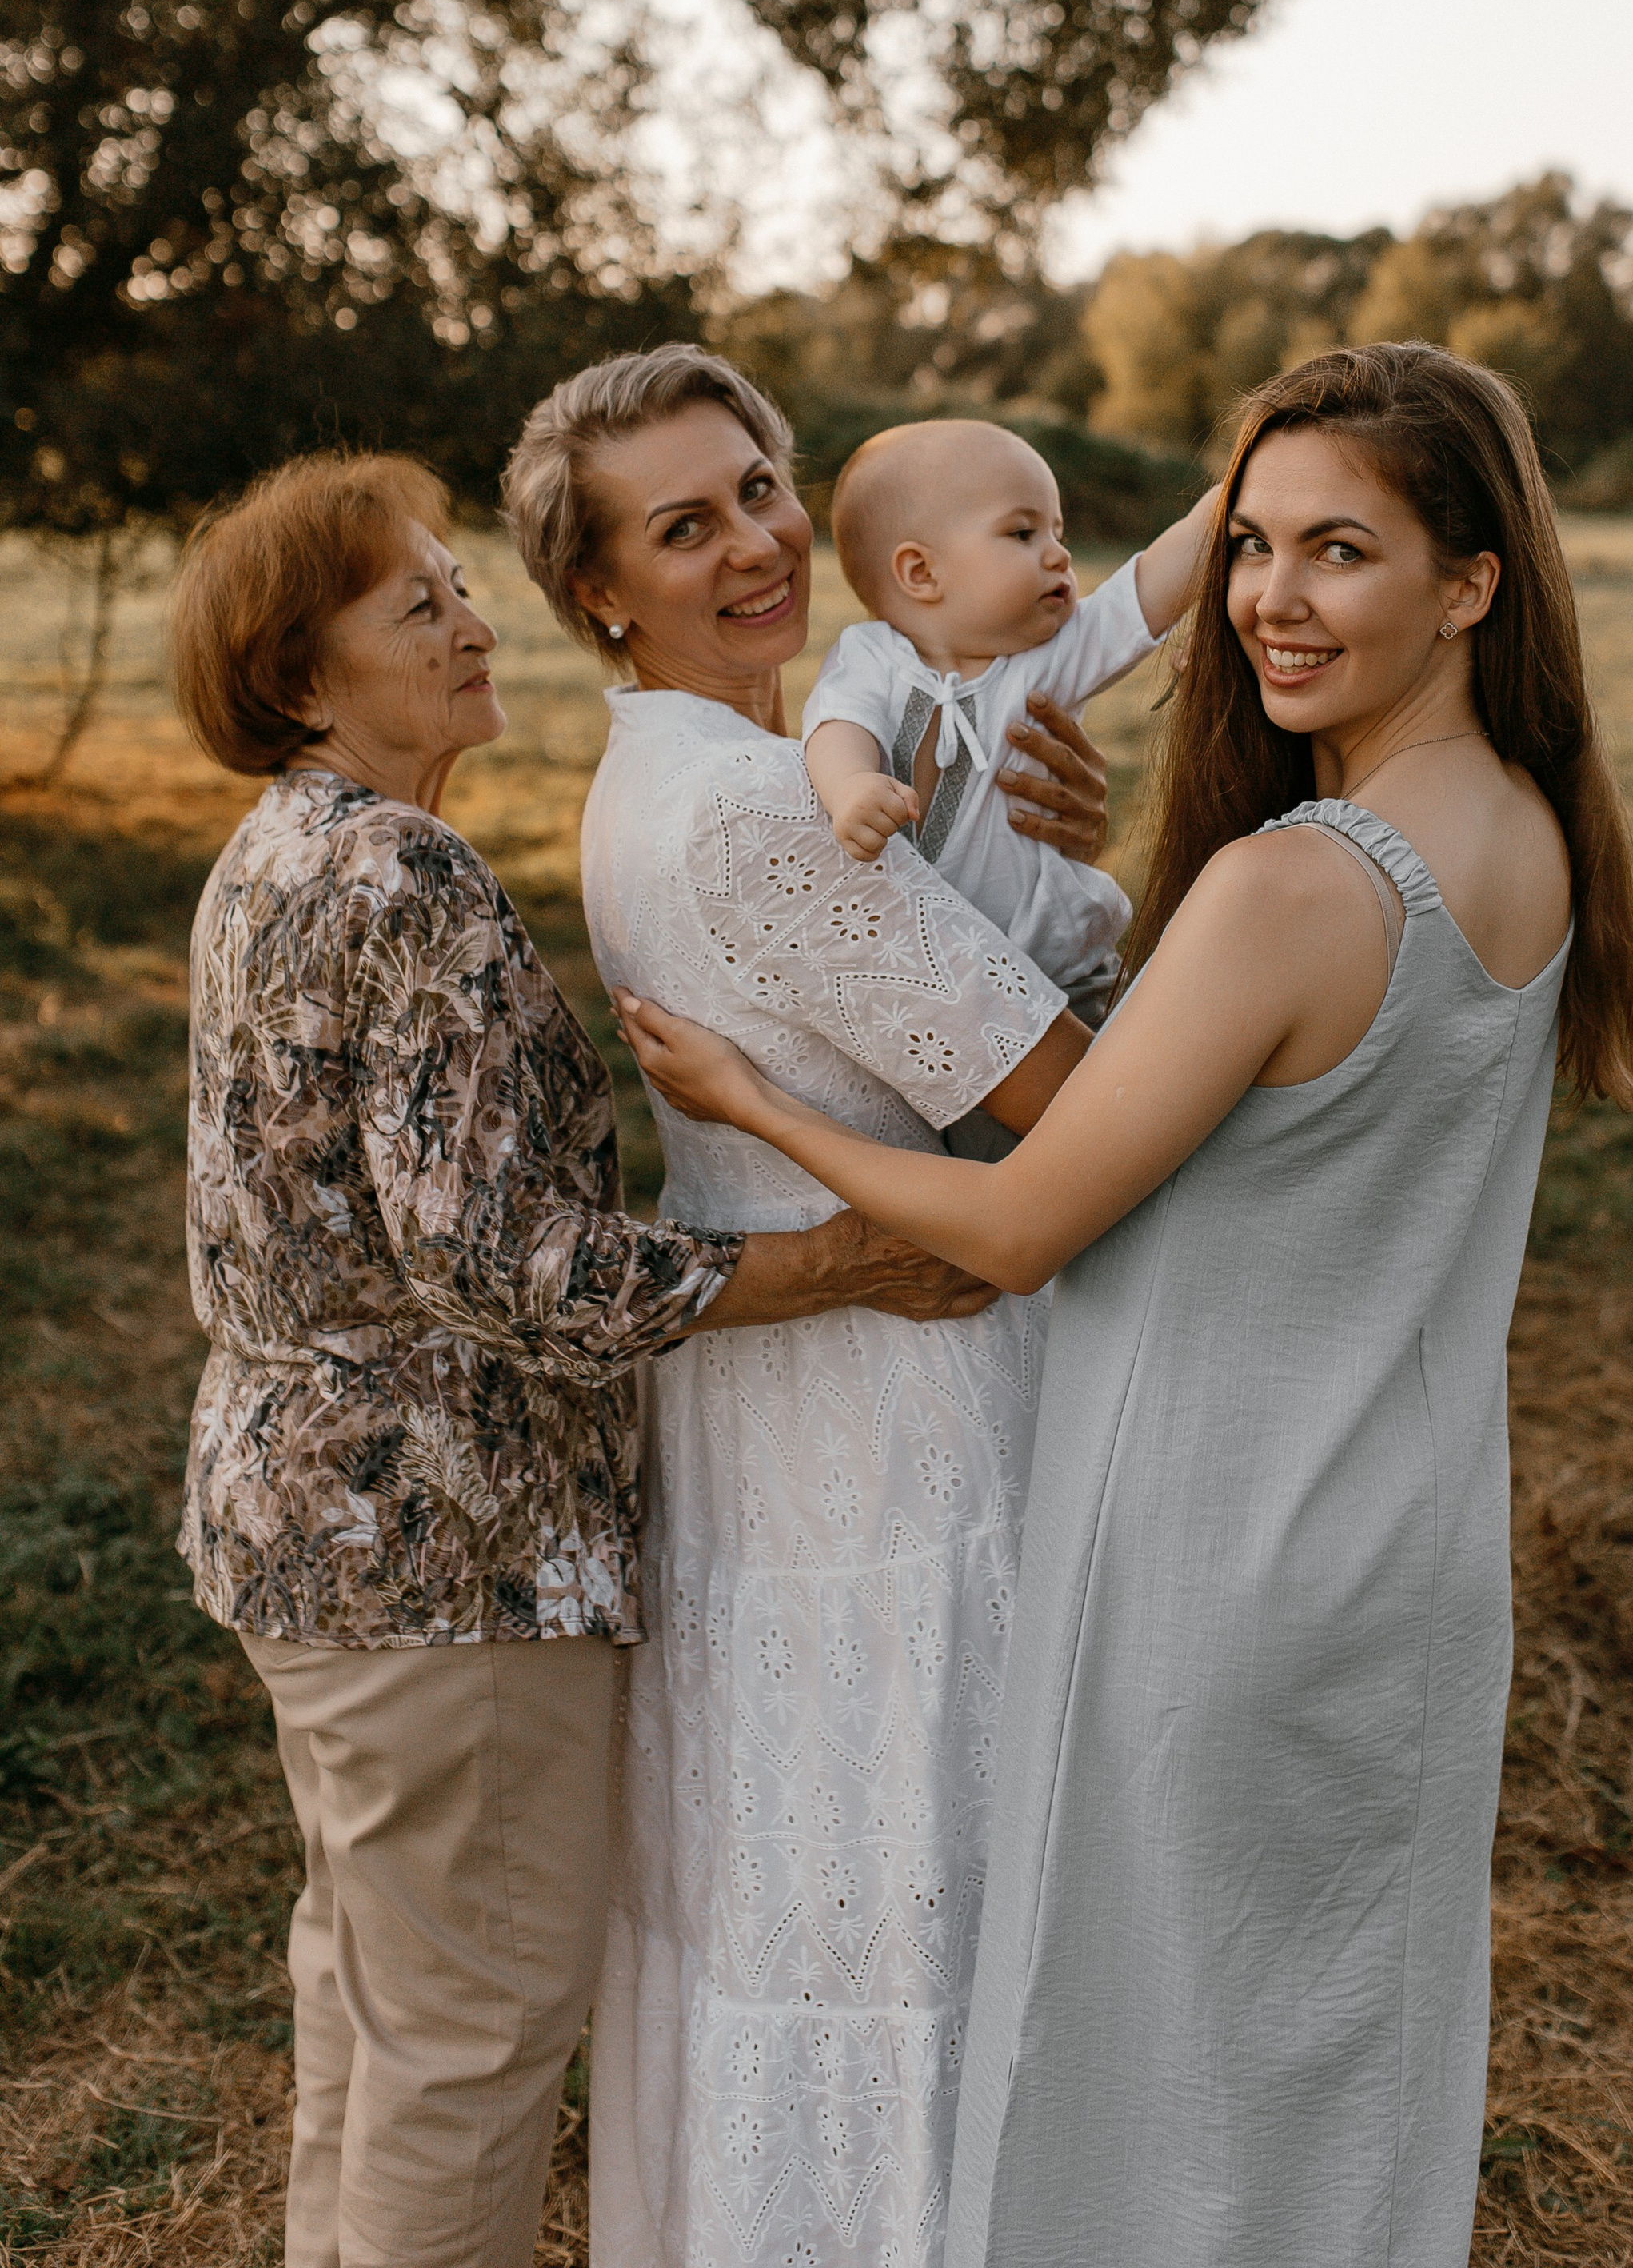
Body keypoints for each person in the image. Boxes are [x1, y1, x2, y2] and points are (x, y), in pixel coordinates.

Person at [613, 343, 1633, 2268]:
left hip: (1216, 1560)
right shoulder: (1530, 832)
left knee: (1150, 2108)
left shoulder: (1293, 882)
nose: (1270, 596)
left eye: (1340, 549)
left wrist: (753, 1103)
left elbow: (1026, 1216)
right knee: (1334, 2091)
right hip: (1406, 1558)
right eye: (1254, 541)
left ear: (1468, 580)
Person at [169, 450, 992, 2268]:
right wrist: (830, 1257)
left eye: (461, 583)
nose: (473, 624)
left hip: (309, 1527)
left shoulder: (291, 846)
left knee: (375, 2007)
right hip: (435, 1553)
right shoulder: (401, 870)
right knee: (466, 2039)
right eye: (418, 605)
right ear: (306, 678)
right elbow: (493, 1258)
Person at [497, 348, 1123, 2268]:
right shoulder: (757, 809)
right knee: (901, 1896)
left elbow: (950, 983)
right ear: (600, 590)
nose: (762, 538)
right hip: (891, 1408)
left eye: (759, 484)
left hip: (774, 1411)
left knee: (792, 1901)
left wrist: (1048, 861)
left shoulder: (677, 775)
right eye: (685, 525)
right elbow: (1070, 1103)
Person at [801, 419, 1215, 1021]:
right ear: (921, 572)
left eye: (1057, 531)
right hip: (925, 981)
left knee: (1084, 1110)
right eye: (1023, 532)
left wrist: (1245, 485)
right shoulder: (871, 657)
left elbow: (1152, 583)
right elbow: (839, 725)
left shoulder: (1049, 658)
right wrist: (851, 786)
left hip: (1057, 978)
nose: (1060, 554)